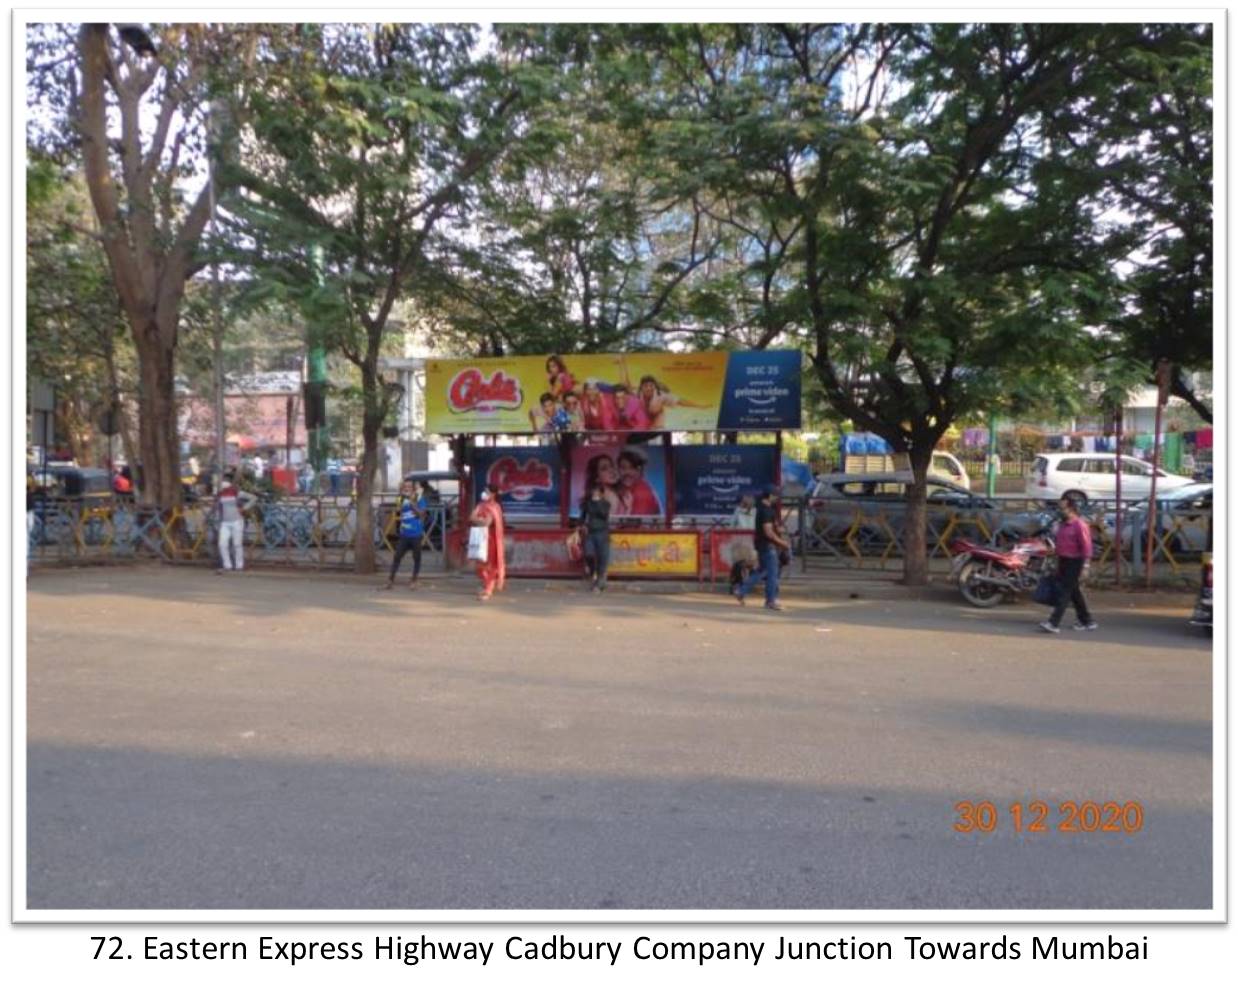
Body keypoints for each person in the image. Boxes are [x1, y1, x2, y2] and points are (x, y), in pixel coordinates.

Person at [1040, 494, 1097, 633]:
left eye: (1063, 508)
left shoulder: (1080, 525)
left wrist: (1086, 566)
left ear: (1072, 509)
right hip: (1063, 560)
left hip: (1075, 561)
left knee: (1065, 592)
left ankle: (1054, 622)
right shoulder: (1063, 525)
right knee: (1073, 591)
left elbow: (1087, 547)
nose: (1060, 511)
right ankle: (1087, 621)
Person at [735, 485, 792, 611]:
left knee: (762, 571)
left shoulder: (762, 508)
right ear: (771, 496)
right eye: (776, 495)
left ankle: (741, 590)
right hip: (768, 546)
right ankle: (770, 601)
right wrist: (783, 543)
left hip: (762, 545)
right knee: (772, 574)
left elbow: (770, 528)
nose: (777, 498)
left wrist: (778, 529)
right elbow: (768, 532)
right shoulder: (766, 510)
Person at [384, 480, 427, 590]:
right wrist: (404, 500)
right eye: (405, 487)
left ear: (413, 488)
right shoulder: (401, 499)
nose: (406, 488)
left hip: (416, 534)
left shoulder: (420, 499)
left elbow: (421, 514)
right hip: (404, 534)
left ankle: (414, 580)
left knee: (417, 558)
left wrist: (412, 503)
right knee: (397, 557)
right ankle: (390, 580)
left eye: (409, 487)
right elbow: (399, 510)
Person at [469, 483, 506, 601]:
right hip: (480, 539)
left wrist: (478, 519)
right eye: (484, 490)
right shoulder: (480, 505)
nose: (484, 493)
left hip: (492, 540)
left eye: (486, 491)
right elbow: (471, 517)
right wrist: (480, 519)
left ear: (493, 494)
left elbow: (487, 523)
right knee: (480, 565)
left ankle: (488, 590)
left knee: (490, 566)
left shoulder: (495, 507)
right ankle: (487, 585)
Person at [215, 472, 257, 573]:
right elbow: (218, 508)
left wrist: (244, 508)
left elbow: (253, 498)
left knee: (237, 544)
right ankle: (227, 565)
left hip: (237, 521)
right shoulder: (220, 494)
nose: (224, 483)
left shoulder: (236, 492)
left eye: (226, 481)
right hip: (225, 522)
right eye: (223, 481)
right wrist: (218, 520)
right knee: (222, 544)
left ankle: (239, 566)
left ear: (230, 483)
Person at [579, 482, 612, 592]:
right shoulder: (587, 503)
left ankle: (599, 582)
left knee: (602, 557)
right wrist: (582, 525)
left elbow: (603, 515)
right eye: (594, 491)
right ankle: (593, 573)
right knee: (589, 554)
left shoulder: (606, 504)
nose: (595, 493)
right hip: (590, 533)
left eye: (598, 491)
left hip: (602, 533)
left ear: (602, 493)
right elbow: (582, 517)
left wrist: (597, 502)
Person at [616, 447, 662, 516]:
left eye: (632, 468)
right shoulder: (621, 487)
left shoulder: (642, 493)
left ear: (639, 470)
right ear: (618, 469)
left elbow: (635, 525)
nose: (627, 472)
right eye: (623, 468)